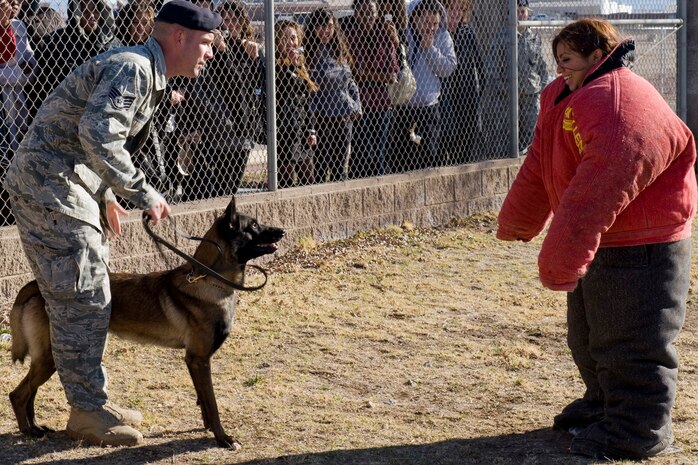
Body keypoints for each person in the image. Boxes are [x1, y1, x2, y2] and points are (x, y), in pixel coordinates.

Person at [3, 0, 221, 447]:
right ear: (178, 36)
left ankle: (92, 400)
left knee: (90, 292)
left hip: (66, 185)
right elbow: (97, 134)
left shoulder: (144, 71)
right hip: (51, 187)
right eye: (205, 42)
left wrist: (104, 196)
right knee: (83, 296)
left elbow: (88, 134)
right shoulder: (135, 68)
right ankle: (86, 410)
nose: (211, 52)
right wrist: (142, 192)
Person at [496, 19, 696, 460]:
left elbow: (597, 189)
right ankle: (606, 406)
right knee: (589, 336)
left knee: (633, 340)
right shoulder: (568, 96)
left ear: (594, 55)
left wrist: (561, 258)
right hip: (607, 238)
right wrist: (518, 220)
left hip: (643, 242)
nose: (560, 69)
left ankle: (639, 428)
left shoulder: (616, 102)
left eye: (567, 59)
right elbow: (541, 161)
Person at [181, 0, 264, 197]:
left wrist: (233, 50)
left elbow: (245, 85)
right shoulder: (211, 46)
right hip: (214, 129)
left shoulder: (247, 49)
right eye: (226, 19)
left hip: (241, 125)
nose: (230, 24)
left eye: (235, 19)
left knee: (229, 190)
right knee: (211, 189)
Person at [392, 0, 455, 172]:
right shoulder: (405, 35)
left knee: (429, 156)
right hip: (404, 108)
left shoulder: (442, 36)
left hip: (429, 109)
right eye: (426, 23)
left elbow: (448, 68)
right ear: (414, 19)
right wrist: (400, 45)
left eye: (435, 23)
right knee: (402, 158)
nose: (432, 28)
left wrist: (430, 49)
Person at [481, 0, 547, 157]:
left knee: (531, 134)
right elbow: (491, 69)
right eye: (517, 11)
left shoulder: (534, 38)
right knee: (506, 136)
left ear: (528, 13)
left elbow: (542, 68)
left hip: (530, 96)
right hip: (507, 98)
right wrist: (505, 89)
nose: (520, 14)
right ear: (510, 14)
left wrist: (540, 88)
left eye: (523, 11)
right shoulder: (502, 37)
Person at [29, 0, 115, 118]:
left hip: (101, 116)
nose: (91, 16)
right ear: (76, 13)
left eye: (95, 10)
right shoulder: (57, 43)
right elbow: (44, 87)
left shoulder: (111, 44)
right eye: (85, 11)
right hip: (66, 115)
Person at [304, 7, 361, 184]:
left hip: (344, 118)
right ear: (313, 28)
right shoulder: (308, 54)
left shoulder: (339, 51)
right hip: (322, 120)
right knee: (320, 169)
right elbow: (309, 90)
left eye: (329, 26)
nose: (326, 30)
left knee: (339, 169)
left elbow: (350, 81)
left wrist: (356, 105)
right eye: (321, 26)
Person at [343, 0, 397, 178]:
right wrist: (374, 75)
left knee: (379, 154)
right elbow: (350, 73)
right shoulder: (349, 37)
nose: (367, 17)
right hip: (359, 105)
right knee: (362, 153)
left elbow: (391, 76)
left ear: (377, 14)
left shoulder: (384, 36)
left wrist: (364, 74)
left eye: (371, 13)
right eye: (362, 13)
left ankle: (378, 186)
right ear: (355, 14)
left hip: (382, 104)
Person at [0, 0, 36, 226]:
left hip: (18, 105)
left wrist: (11, 75)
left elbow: (32, 66)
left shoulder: (19, 26)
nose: (12, 6)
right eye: (7, 2)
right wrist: (16, 74)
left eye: (15, 2)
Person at [274, 19, 317, 188]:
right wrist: (289, 67)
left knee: (308, 180)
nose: (290, 43)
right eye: (284, 39)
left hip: (301, 131)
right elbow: (280, 93)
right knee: (285, 182)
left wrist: (311, 129)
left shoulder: (300, 65)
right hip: (284, 132)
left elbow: (306, 100)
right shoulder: (274, 66)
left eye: (293, 38)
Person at [440, 0, 482, 164]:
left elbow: (479, 66)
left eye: (460, 9)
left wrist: (478, 93)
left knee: (467, 138)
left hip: (466, 94)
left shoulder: (467, 32)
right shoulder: (440, 33)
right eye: (451, 8)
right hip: (445, 95)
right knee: (447, 136)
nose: (456, 13)